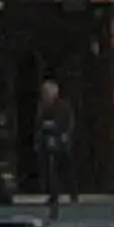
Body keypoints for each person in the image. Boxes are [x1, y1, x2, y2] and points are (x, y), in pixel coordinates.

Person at [35, 78, 78, 218]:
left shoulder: (63, 106)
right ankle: (53, 195)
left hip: (60, 140)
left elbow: (69, 122)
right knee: (50, 170)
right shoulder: (42, 106)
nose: (44, 95)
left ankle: (73, 193)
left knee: (65, 169)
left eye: (47, 92)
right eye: (43, 92)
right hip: (47, 140)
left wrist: (65, 135)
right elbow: (39, 123)